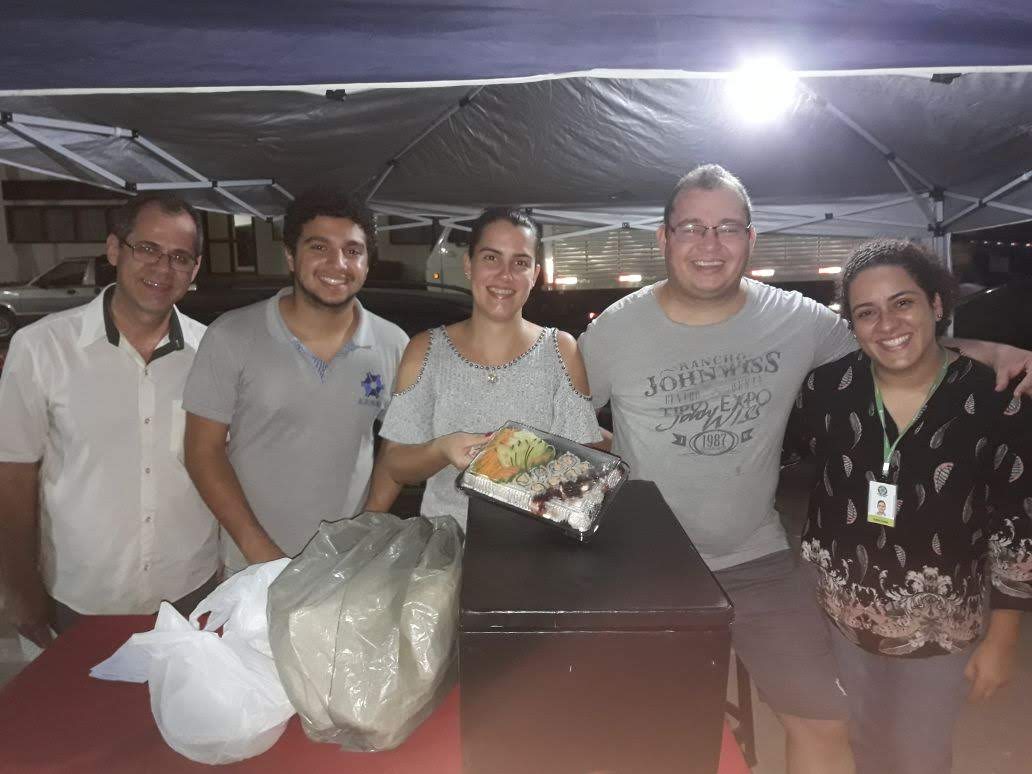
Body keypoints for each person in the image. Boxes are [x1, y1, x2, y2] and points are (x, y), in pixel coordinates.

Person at [577, 164, 1032, 774]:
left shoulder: (797, 319)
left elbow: (894, 342)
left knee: (824, 720)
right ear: (664, 238)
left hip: (757, 561)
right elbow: (564, 429)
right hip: (651, 565)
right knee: (655, 728)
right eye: (692, 227)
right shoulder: (615, 330)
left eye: (728, 227)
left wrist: (991, 351)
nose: (710, 244)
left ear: (751, 239)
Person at [790, 240, 1031, 774]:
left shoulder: (993, 397)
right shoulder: (827, 390)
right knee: (859, 742)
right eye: (866, 312)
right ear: (852, 325)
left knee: (919, 753)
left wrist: (1003, 639)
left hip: (940, 630)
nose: (887, 324)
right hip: (836, 616)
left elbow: (1016, 524)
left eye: (903, 303)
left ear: (936, 304)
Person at [0, 193, 219, 646]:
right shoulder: (42, 348)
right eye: (147, 248)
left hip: (189, 592)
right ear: (115, 249)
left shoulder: (215, 355)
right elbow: (12, 474)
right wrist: (19, 587)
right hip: (78, 597)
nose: (162, 268)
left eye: (180, 257)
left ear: (195, 269)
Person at [182, 188, 408, 572]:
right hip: (251, 569)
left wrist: (367, 526)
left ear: (367, 263)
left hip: (345, 566)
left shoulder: (392, 344)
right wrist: (262, 555)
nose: (337, 263)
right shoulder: (232, 335)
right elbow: (203, 452)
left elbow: (399, 447)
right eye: (319, 247)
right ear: (290, 255)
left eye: (353, 250)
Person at [375, 207, 601, 529]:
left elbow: (581, 472)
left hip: (538, 546)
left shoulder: (561, 350)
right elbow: (396, 464)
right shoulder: (425, 350)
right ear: (469, 264)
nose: (505, 275)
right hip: (448, 545)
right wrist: (441, 450)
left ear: (535, 274)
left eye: (520, 263)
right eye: (491, 258)